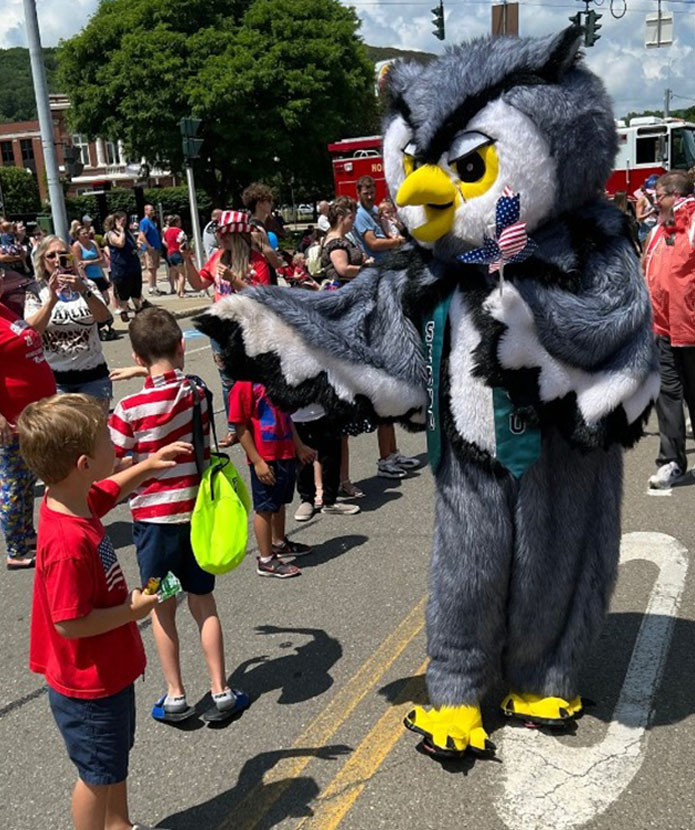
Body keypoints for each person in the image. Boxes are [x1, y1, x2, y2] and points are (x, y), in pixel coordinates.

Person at [17, 393, 188, 830]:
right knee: (95, 776)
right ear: (83, 464)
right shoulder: (67, 544)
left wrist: (149, 466)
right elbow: (69, 622)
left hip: (107, 673)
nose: (116, 444)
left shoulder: (74, 500)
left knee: (113, 763)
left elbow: (110, 490)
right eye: (106, 440)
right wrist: (133, 611)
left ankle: (120, 825)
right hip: (87, 686)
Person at [110, 307, 244, 723]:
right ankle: (221, 689)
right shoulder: (198, 393)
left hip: (153, 525)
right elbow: (181, 380)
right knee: (203, 601)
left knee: (161, 605)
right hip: (196, 517)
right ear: (182, 346)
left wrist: (140, 378)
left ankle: (175, 695)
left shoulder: (128, 410)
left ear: (136, 357)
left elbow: (116, 466)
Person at [184, 210, 271, 442]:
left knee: (254, 378)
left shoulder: (256, 261)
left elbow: (262, 296)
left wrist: (235, 280)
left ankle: (260, 421)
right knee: (227, 381)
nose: (219, 239)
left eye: (223, 235)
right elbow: (198, 284)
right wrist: (186, 260)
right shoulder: (217, 258)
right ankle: (235, 428)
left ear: (236, 236)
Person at [228, 381, 315, 578]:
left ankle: (279, 542)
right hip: (264, 456)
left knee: (279, 502)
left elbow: (287, 417)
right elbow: (240, 426)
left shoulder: (273, 375)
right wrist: (257, 461)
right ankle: (266, 559)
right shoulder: (243, 384)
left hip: (284, 451)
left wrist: (299, 446)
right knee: (265, 507)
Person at [0, 270, 56, 569]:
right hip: (12, 419)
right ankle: (16, 548)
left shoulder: (6, 311)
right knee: (12, 484)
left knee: (24, 481)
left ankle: (26, 533)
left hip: (33, 414)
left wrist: (52, 300)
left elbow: (34, 332)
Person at [643, 170, 695, 489]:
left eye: (658, 196)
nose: (653, 201)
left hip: (690, 329)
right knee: (668, 398)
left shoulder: (691, 224)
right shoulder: (658, 231)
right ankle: (672, 460)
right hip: (662, 329)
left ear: (675, 196)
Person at [25, 235, 113, 409]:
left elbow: (104, 317)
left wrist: (83, 290)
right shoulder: (35, 291)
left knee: (95, 431)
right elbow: (33, 331)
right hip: (56, 378)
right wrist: (51, 300)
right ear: (42, 261)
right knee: (64, 433)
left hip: (93, 375)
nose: (58, 260)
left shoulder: (87, 284)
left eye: (64, 254)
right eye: (51, 256)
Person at [292, 404, 360, 521]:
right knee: (304, 461)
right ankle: (307, 500)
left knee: (332, 457)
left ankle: (330, 500)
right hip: (298, 417)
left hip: (327, 412)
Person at [72, 225, 116, 341]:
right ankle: (97, 325)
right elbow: (79, 263)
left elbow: (101, 259)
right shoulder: (77, 246)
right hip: (88, 277)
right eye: (83, 233)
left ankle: (100, 321)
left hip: (98, 274)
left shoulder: (93, 243)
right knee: (96, 300)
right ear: (78, 236)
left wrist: (90, 262)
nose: (86, 235)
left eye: (87, 233)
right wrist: (85, 279)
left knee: (106, 299)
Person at [352, 175, 405, 263]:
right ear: (358, 193)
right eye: (366, 194)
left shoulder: (375, 209)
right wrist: (397, 242)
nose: (370, 197)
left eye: (372, 193)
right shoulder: (359, 214)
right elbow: (374, 244)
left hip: (388, 258)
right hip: (377, 264)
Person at [320, 196, 372, 284]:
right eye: (351, 218)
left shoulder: (341, 238)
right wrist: (369, 268)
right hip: (343, 291)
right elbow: (343, 269)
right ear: (341, 218)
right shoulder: (336, 243)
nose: (353, 221)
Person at [106, 211, 145, 322]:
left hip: (133, 265)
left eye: (125, 220)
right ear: (115, 221)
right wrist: (121, 231)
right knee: (123, 292)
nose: (124, 222)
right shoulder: (111, 234)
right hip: (121, 268)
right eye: (121, 220)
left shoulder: (127, 232)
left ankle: (139, 308)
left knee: (136, 290)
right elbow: (120, 243)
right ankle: (123, 310)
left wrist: (137, 245)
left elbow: (132, 244)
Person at [241, 182, 284, 273]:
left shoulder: (250, 225)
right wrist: (279, 260)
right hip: (264, 278)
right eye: (269, 201)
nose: (271, 204)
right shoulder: (257, 230)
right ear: (260, 203)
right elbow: (273, 260)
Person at [138, 204, 164, 295]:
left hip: (156, 248)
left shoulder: (151, 222)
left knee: (155, 268)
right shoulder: (144, 222)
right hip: (150, 250)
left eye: (153, 210)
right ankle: (151, 287)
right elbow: (142, 235)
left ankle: (155, 286)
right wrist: (148, 246)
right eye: (151, 210)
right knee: (151, 268)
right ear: (146, 211)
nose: (153, 212)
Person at [163, 215, 188, 297]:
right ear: (176, 222)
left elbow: (164, 241)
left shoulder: (167, 231)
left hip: (169, 254)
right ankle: (181, 292)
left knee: (174, 272)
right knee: (182, 274)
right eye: (179, 221)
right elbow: (182, 242)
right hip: (177, 253)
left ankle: (176, 288)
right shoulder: (180, 231)